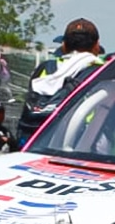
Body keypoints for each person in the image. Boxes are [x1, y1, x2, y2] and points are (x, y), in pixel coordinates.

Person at [15, 18, 106, 146]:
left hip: (40, 139)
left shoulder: (45, 68)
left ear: (64, 45)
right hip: (84, 141)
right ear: (97, 45)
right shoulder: (103, 71)